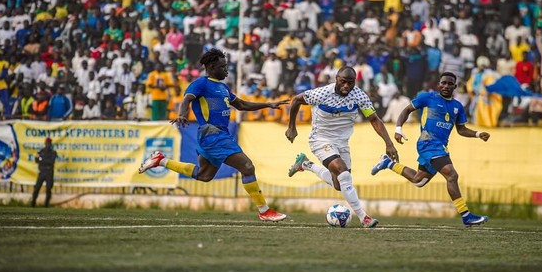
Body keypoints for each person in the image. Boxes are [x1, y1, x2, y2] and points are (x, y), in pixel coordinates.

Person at [138, 49, 289, 222]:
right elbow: (186, 99)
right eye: (222, 67)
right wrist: (182, 114)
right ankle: (264, 210)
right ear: (211, 67)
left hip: (216, 135)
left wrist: (268, 104)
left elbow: (240, 104)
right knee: (247, 167)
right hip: (213, 134)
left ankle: (161, 160)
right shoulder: (201, 84)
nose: (226, 70)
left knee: (204, 176)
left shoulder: (223, 87)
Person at [369, 72, 490, 226]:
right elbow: (406, 110)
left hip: (440, 147)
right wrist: (398, 128)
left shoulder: (457, 106)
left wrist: (478, 134)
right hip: (428, 144)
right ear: (439, 84)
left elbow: (461, 129)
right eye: (443, 83)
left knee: (418, 180)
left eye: (449, 83)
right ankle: (466, 216)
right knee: (452, 175)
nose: (446, 86)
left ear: (455, 86)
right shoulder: (428, 98)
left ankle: (388, 163)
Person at [286, 66, 399, 228]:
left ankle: (306, 164)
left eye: (350, 82)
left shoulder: (359, 96)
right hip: (320, 140)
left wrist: (389, 143)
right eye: (343, 82)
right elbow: (297, 99)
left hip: (342, 143)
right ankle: (364, 217)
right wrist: (292, 126)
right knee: (343, 173)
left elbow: (374, 119)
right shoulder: (322, 93)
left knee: (340, 184)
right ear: (336, 80)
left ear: (355, 82)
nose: (346, 86)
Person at [32, 137, 58, 208]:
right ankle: (33, 203)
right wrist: (44, 160)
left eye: (49, 143)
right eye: (47, 143)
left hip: (49, 172)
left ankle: (46, 204)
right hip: (42, 172)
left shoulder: (53, 152)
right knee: (37, 188)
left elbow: (51, 162)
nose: (48, 145)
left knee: (48, 188)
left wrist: (42, 160)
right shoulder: (41, 151)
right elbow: (36, 160)